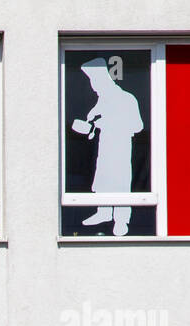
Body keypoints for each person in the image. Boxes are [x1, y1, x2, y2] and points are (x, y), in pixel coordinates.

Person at [78, 57, 144, 236]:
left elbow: (138, 125)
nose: (93, 88)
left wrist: (108, 123)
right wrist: (88, 128)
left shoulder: (126, 99)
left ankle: (121, 220)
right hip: (104, 148)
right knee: (103, 179)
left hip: (120, 149)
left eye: (95, 83)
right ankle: (104, 212)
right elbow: (92, 120)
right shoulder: (102, 101)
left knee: (120, 182)